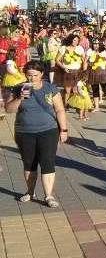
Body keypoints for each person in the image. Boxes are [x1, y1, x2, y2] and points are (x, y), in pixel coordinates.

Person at [3, 60, 69, 208]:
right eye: (29, 75)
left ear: (42, 75)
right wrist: (20, 98)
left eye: (35, 75)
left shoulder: (50, 88)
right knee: (29, 164)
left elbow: (59, 110)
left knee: (47, 163)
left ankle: (49, 196)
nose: (31, 78)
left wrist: (63, 130)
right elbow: (9, 109)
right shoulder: (18, 88)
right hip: (25, 132)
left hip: (48, 131)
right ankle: (30, 192)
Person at [87, 36, 106, 113]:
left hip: (103, 74)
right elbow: (85, 61)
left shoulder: (104, 51)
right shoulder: (90, 51)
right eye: (94, 43)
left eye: (97, 44)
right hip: (93, 73)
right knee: (95, 90)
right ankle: (96, 107)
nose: (96, 45)